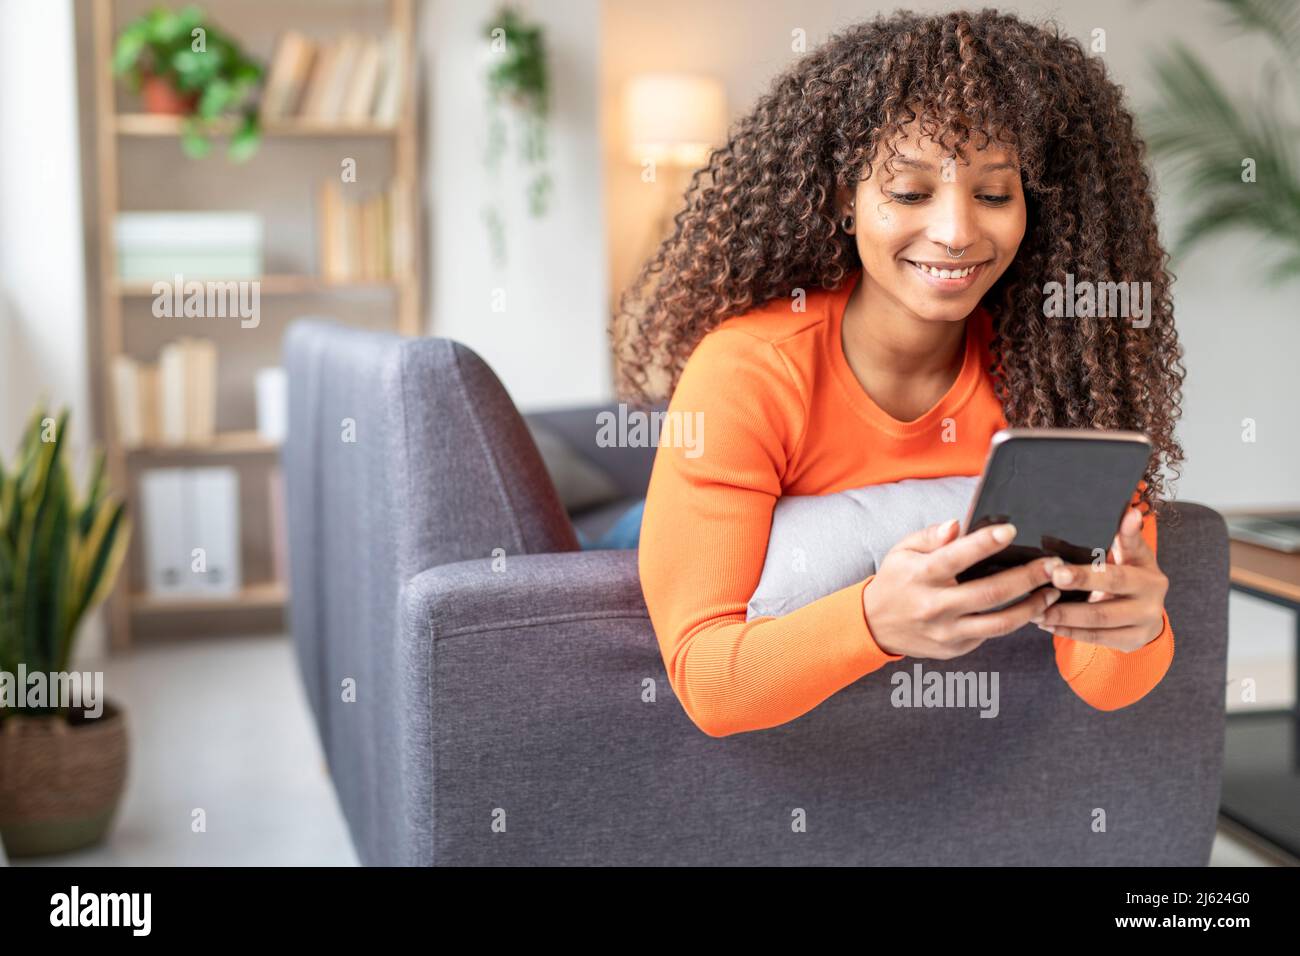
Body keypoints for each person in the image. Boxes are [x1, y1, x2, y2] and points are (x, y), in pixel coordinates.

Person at [609, 10, 1184, 738]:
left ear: (1036, 209)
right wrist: (874, 619)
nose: (955, 231)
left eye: (995, 194)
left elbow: (1107, 686)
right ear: (843, 202)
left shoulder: (1069, 376)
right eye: (909, 192)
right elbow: (709, 682)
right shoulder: (750, 369)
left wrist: (1136, 625)